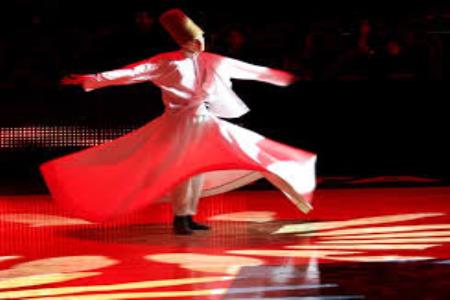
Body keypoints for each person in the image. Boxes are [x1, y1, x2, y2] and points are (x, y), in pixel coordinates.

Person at [40, 9, 317, 235]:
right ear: (185, 40)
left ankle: (188, 216)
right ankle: (181, 218)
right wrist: (93, 79)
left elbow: (251, 71)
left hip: (204, 121)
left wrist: (283, 77)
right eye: (196, 39)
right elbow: (131, 73)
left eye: (201, 38)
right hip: (179, 123)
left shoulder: (212, 60)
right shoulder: (167, 62)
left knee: (222, 159)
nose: (201, 43)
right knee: (182, 169)